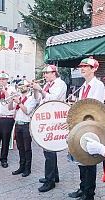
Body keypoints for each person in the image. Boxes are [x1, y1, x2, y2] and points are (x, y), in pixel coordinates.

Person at [68, 57, 105, 200]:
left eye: (86, 66)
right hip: (81, 126)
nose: (82, 69)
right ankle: (82, 187)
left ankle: (89, 193)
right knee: (80, 159)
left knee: (89, 161)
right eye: (81, 66)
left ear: (94, 69)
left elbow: (94, 108)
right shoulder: (83, 86)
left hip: (90, 127)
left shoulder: (98, 85)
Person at [32, 64, 67, 192]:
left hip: (54, 119)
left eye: (47, 73)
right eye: (44, 73)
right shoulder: (48, 85)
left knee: (49, 151)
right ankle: (54, 176)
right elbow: (38, 100)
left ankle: (50, 181)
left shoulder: (60, 84)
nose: (45, 76)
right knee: (48, 150)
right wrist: (36, 90)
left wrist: (40, 89)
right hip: (47, 118)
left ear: (54, 73)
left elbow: (53, 98)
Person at [8, 80, 37, 177]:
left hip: (26, 125)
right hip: (17, 124)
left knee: (27, 148)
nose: (21, 87)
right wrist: (11, 100)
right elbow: (10, 108)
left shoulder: (31, 98)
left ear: (28, 87)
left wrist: (19, 102)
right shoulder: (18, 97)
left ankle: (27, 169)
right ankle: (21, 166)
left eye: (23, 86)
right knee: (20, 147)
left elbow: (27, 111)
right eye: (20, 86)